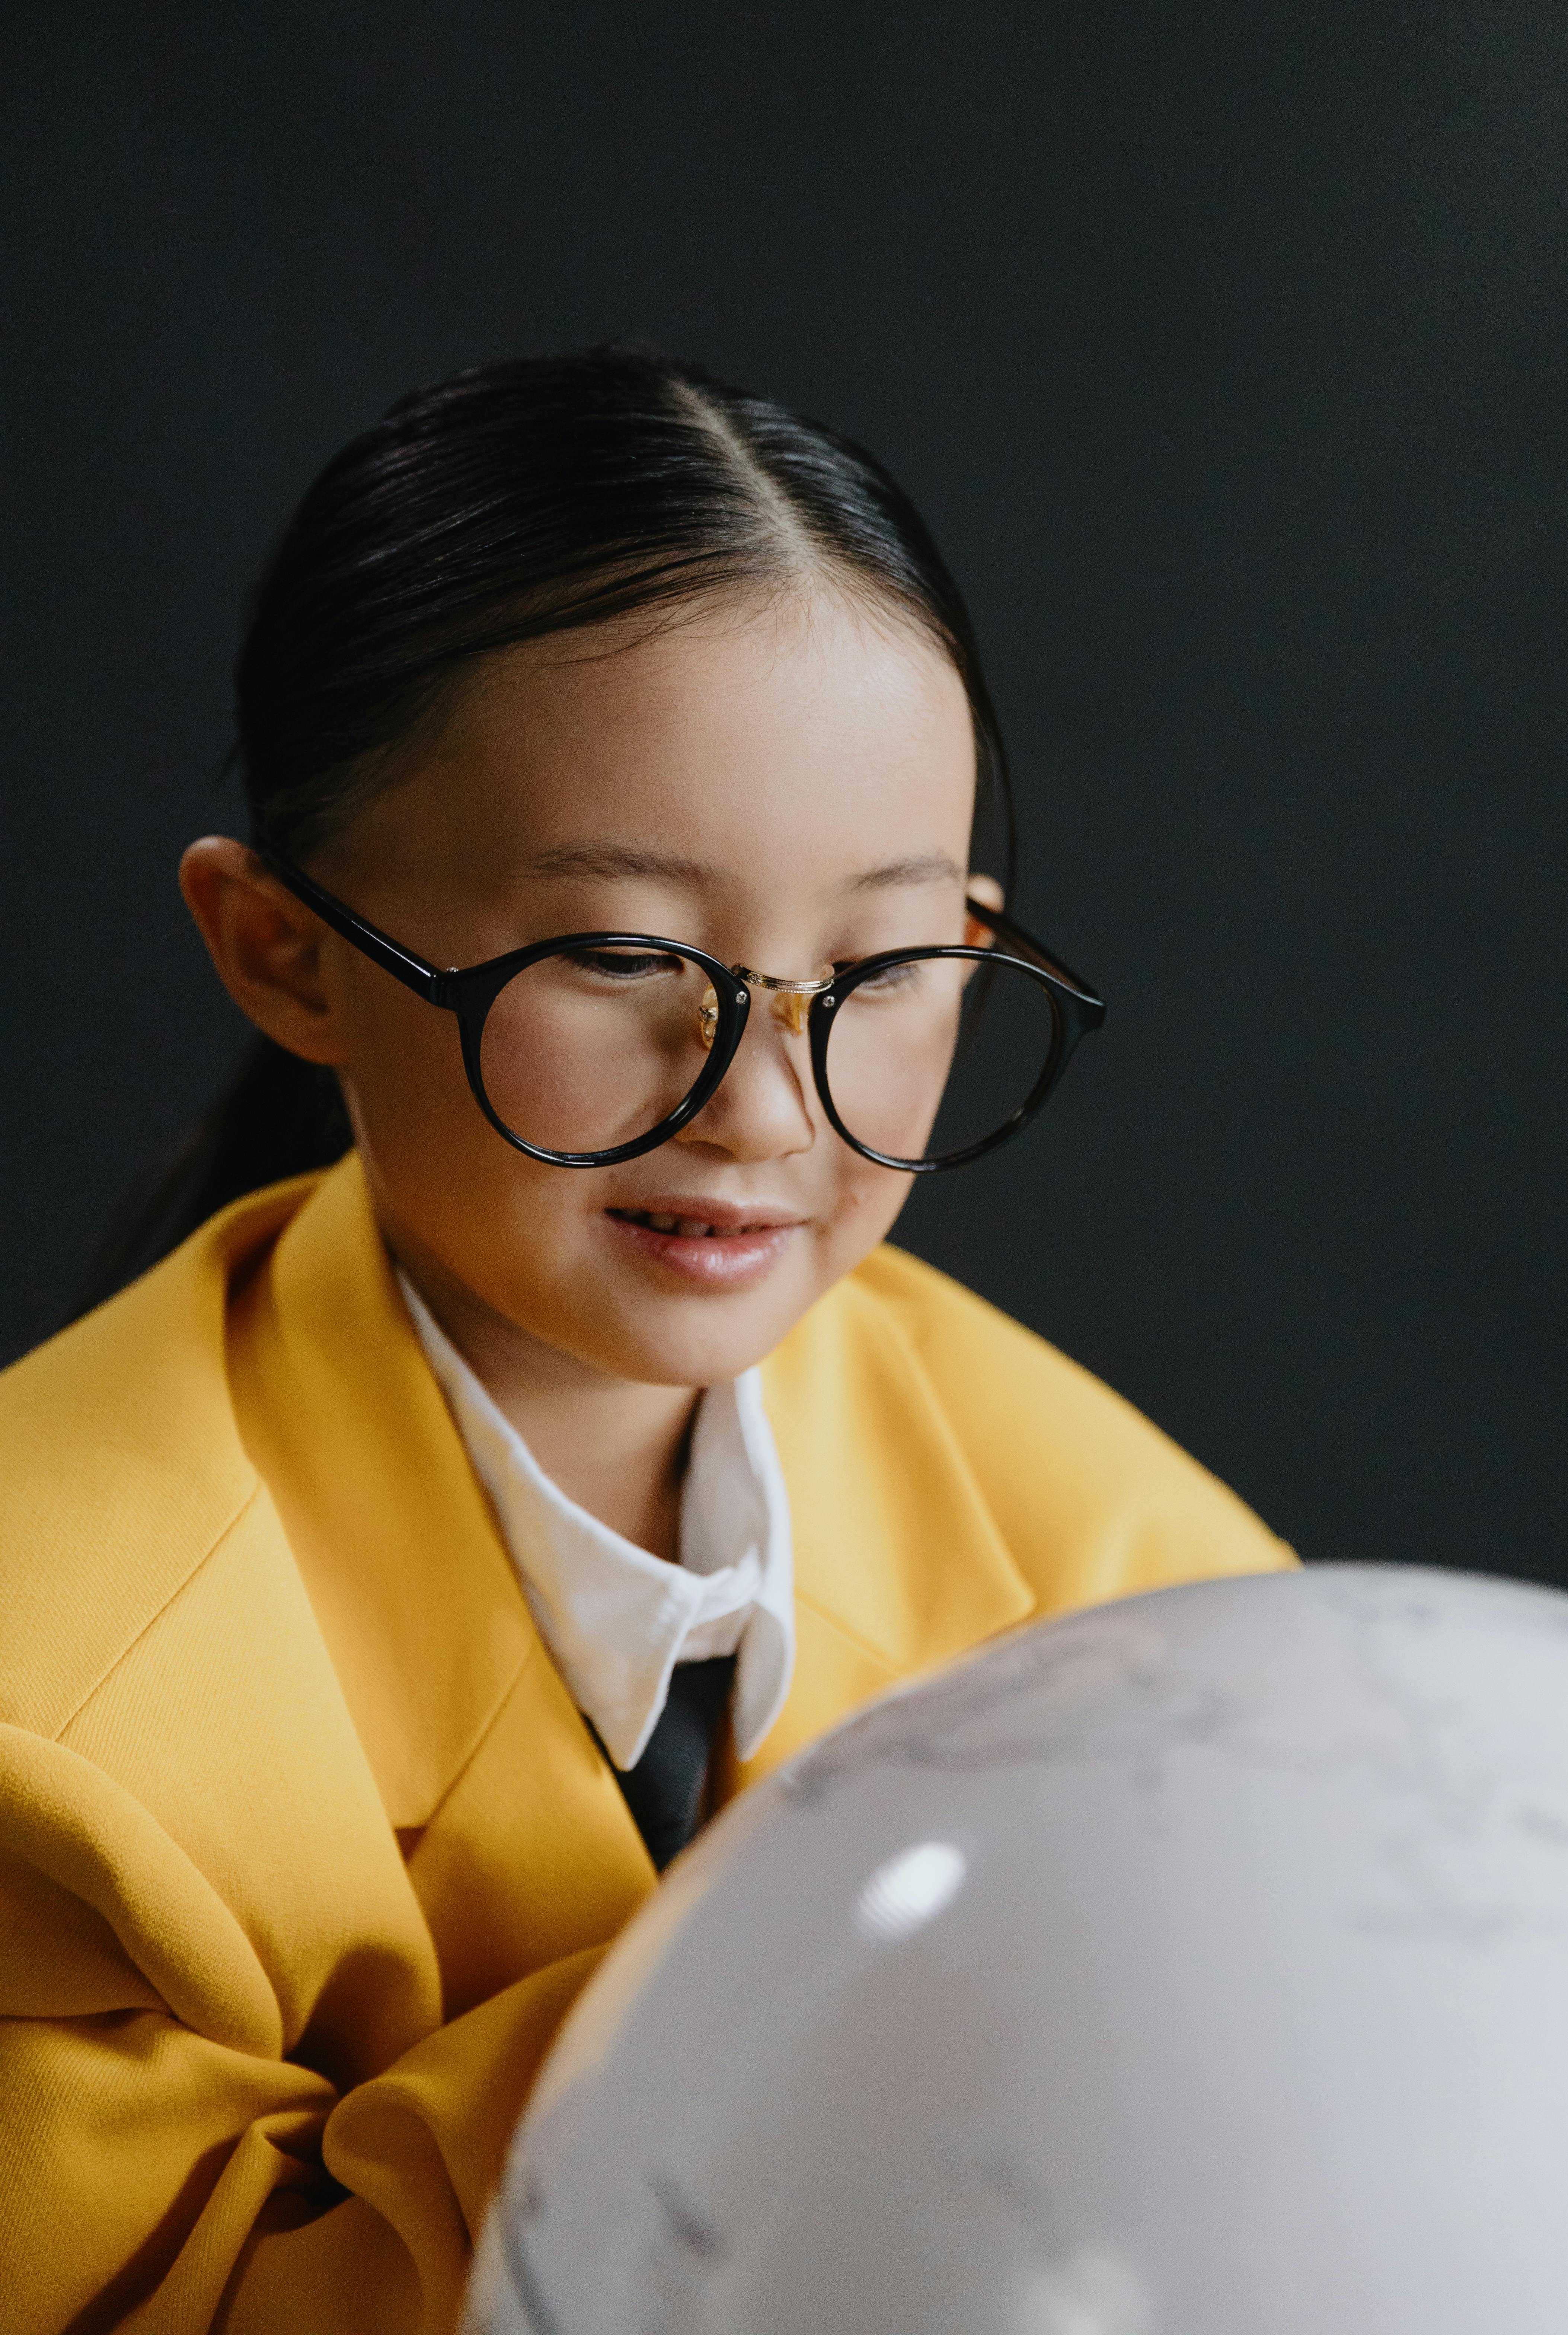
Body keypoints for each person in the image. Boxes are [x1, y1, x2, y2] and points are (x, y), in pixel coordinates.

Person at [0, 348, 1293, 2335]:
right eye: (616, 954)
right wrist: (837, 2015)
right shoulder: (48, 1717)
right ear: (287, 951)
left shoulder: (1145, 1602)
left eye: (881, 967)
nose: (767, 1110)